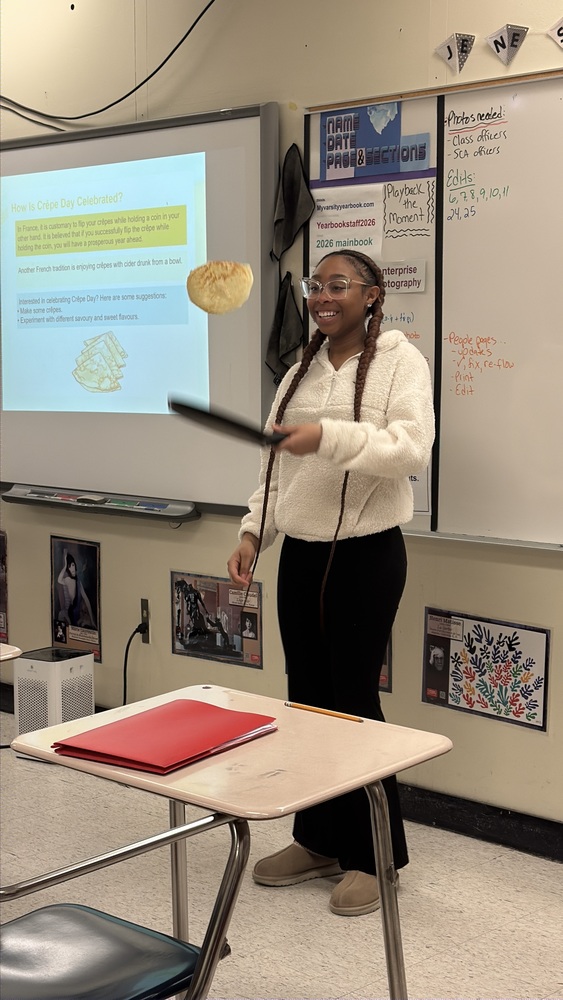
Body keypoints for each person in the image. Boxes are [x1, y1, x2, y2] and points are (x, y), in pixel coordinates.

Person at [227, 249, 434, 917]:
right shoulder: (297, 373)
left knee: (352, 703)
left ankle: (375, 857)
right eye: (315, 285)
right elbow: (273, 470)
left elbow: (409, 449)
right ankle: (317, 839)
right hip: (303, 559)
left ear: (371, 294)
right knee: (306, 701)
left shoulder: (402, 362)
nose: (321, 295)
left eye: (337, 285)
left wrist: (328, 438)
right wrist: (253, 532)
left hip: (367, 555)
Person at [57, 551, 96, 629]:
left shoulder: (78, 582)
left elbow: (86, 600)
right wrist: (64, 566)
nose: (72, 569)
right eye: (69, 567)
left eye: (73, 565)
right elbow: (59, 580)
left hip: (76, 613)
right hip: (70, 613)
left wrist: (92, 621)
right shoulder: (67, 580)